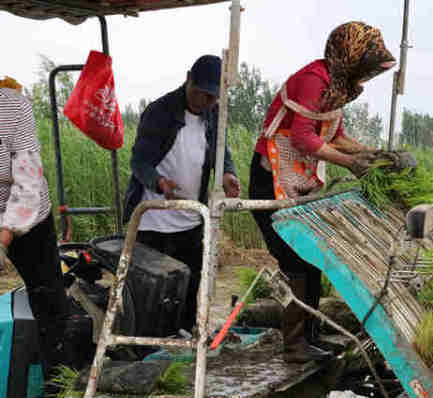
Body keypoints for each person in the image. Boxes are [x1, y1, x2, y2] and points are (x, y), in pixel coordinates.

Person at [250, 21, 396, 363]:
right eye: (365, 68)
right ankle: (294, 344)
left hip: (297, 180)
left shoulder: (336, 86)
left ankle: (309, 339)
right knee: (296, 259)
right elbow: (303, 138)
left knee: (311, 258)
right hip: (271, 179)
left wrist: (371, 156)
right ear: (349, 56)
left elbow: (336, 136)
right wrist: (349, 163)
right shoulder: (314, 79)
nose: (366, 76)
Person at [124, 55, 240, 332]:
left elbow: (221, 151)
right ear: (188, 78)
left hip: (190, 218)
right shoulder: (160, 111)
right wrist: (159, 182)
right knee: (149, 292)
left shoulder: (214, 115)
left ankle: (186, 341)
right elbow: (138, 161)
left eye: (212, 97)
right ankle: (144, 346)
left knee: (189, 287)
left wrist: (227, 172)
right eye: (200, 93)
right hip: (152, 218)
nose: (205, 102)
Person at [0, 82, 75, 391]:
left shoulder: (14, 107)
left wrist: (3, 238)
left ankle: (61, 391)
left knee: (49, 304)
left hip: (29, 216)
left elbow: (28, 180)